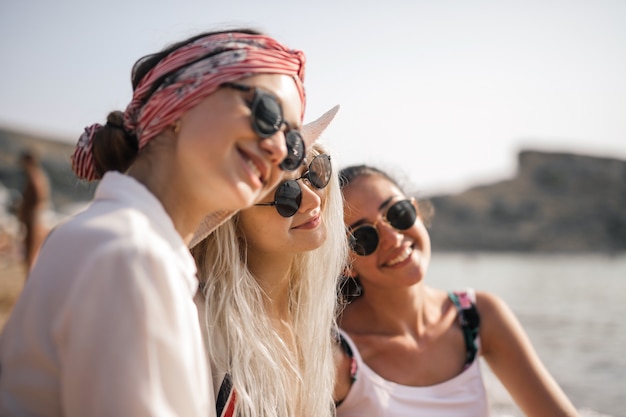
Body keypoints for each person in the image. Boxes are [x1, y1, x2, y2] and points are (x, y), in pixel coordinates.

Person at [0, 29, 331, 417]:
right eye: (267, 114)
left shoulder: (111, 237)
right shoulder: (131, 255)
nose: (278, 148)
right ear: (181, 101)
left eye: (292, 144)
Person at [333, 165, 579, 417]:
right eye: (363, 236)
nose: (392, 238)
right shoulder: (335, 354)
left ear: (415, 211)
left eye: (397, 213)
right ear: (345, 263)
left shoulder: (477, 316)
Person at [191, 140, 349, 417]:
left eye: (314, 173)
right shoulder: (200, 324)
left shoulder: (310, 318)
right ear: (230, 219)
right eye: (285, 194)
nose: (313, 200)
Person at [16, 150, 51, 271]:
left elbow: (38, 198)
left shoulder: (34, 176)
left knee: (30, 256)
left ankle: (31, 285)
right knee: (31, 255)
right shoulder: (38, 175)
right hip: (35, 219)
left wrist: (25, 211)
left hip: (33, 220)